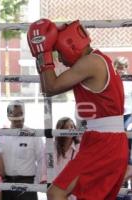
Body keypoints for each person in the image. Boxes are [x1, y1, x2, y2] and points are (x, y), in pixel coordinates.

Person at [27, 18, 128, 200]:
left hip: (104, 142)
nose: (60, 59)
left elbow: (51, 86)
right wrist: (42, 54)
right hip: (105, 140)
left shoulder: (90, 63)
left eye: (58, 52)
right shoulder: (97, 60)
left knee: (56, 193)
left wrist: (43, 51)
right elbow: (47, 89)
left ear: (70, 45)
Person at [0, 100, 45, 200]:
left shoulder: (34, 135)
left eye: (20, 113)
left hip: (27, 183)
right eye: (15, 114)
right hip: (5, 184)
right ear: (9, 115)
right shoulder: (0, 135)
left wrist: (35, 183)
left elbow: (42, 159)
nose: (18, 118)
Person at [54, 117, 80, 200]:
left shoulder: (79, 146)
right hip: (56, 188)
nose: (71, 129)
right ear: (60, 129)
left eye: (73, 127)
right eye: (67, 127)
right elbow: (46, 166)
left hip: (73, 190)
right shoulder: (51, 146)